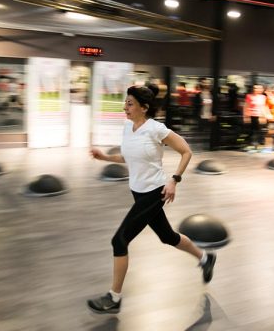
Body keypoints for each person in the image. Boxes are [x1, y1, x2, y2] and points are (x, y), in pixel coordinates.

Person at [87, 85, 216, 315]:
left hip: (155, 192)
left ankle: (114, 298)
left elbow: (186, 151)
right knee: (168, 237)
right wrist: (105, 157)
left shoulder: (157, 129)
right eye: (126, 102)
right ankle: (205, 258)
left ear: (144, 108)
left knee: (119, 241)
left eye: (130, 103)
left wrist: (174, 180)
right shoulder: (128, 127)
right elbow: (128, 157)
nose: (125, 107)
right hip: (137, 192)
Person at [243, 84, 271, 151]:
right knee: (252, 131)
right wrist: (246, 117)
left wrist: (266, 116)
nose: (257, 89)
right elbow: (246, 106)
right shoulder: (249, 96)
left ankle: (259, 146)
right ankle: (252, 145)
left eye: (259, 88)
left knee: (261, 132)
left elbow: (265, 107)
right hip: (252, 116)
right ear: (253, 89)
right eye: (256, 88)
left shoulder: (264, 97)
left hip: (261, 116)